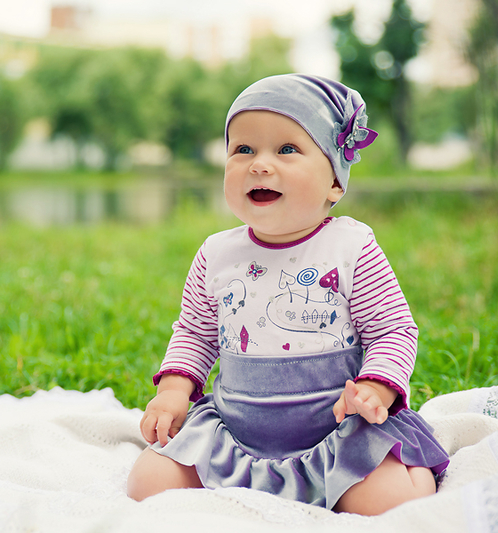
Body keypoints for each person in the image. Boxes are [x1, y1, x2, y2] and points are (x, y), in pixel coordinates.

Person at [126, 74, 449, 515]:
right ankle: (244, 481)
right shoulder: (217, 253)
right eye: (243, 149)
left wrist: (376, 388)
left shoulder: (351, 247)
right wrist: (174, 391)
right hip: (238, 434)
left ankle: (407, 472)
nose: (260, 164)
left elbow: (393, 330)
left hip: (337, 432)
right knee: (148, 482)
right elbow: (196, 334)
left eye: (286, 150)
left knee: (390, 502)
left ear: (335, 181)